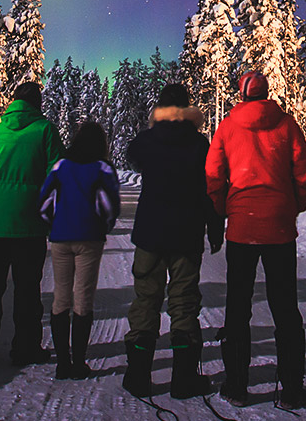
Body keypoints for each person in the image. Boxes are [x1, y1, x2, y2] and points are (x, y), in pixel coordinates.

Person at [205, 70, 306, 409]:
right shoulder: (287, 125)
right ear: (266, 93)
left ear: (242, 94)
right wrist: (293, 206)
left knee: (238, 308)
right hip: (279, 228)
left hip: (242, 228)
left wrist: (226, 209)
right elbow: (304, 172)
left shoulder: (227, 126)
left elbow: (213, 174)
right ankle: (292, 390)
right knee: (285, 308)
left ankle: (237, 385)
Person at [122, 83, 224, 399]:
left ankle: (138, 376)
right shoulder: (199, 143)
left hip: (151, 233)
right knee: (184, 302)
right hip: (186, 232)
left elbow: (132, 155)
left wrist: (155, 128)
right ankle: (183, 379)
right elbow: (210, 188)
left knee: (145, 299)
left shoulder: (149, 140)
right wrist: (215, 228)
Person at [0, 81, 64, 365]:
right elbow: (57, 174)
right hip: (30, 225)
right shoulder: (45, 130)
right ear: (38, 103)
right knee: (27, 290)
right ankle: (25, 349)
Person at [39, 122, 122, 379]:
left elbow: (44, 201)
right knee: (83, 300)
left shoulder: (61, 166)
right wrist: (102, 227)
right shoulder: (103, 168)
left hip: (61, 238)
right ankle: (79, 363)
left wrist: (54, 226)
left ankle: (62, 363)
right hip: (90, 240)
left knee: (60, 298)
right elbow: (111, 207)